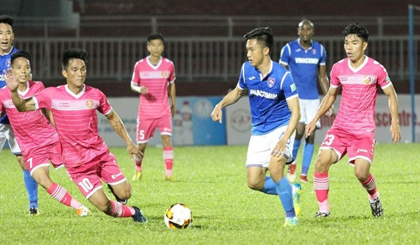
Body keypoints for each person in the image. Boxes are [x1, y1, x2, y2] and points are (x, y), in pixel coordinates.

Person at [6, 48, 147, 223]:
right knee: (105, 207)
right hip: (77, 165)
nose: (80, 74)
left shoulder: (96, 95)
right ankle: (133, 212)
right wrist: (13, 92)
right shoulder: (51, 94)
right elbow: (22, 107)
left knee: (125, 193)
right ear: (65, 73)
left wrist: (129, 142)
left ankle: (116, 190)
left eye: (83, 69)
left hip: (100, 155)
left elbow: (112, 118)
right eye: (74, 70)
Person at [305, 23, 401, 218]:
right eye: (346, 43)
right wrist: (314, 118)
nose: (349, 47)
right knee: (321, 162)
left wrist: (395, 122)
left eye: (354, 43)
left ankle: (374, 198)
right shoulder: (338, 68)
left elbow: (391, 94)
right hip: (340, 128)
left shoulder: (376, 69)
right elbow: (331, 96)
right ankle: (324, 210)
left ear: (364, 46)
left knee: (361, 173)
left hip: (363, 132)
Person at [211, 27, 302, 227]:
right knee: (254, 182)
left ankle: (291, 217)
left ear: (266, 50)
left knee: (276, 168)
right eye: (247, 50)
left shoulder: (283, 76)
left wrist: (284, 138)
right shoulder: (246, 70)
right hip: (259, 131)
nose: (248, 54)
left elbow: (296, 112)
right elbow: (237, 92)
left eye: (252, 49)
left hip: (281, 128)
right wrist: (220, 105)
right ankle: (291, 189)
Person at [1, 51, 90, 216]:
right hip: (30, 147)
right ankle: (79, 207)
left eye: (26, 67)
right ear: (11, 71)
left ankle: (105, 194)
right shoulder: (3, 94)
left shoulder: (38, 87)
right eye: (19, 67)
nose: (23, 71)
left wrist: (61, 132)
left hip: (51, 139)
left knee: (80, 167)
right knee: (43, 180)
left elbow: (48, 112)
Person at [279, 19, 332, 183]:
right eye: (303, 29)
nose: (306, 32)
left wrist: (329, 98)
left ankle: (304, 174)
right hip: (296, 98)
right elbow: (281, 73)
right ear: (298, 31)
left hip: (313, 98)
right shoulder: (288, 49)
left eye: (309, 29)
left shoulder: (320, 50)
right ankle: (292, 162)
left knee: (311, 134)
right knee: (300, 130)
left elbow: (322, 77)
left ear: (312, 32)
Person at [0, 14, 39, 215]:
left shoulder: (18, 60)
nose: (4, 37)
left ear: (13, 36)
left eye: (7, 33)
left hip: (16, 120)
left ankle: (33, 204)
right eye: (0, 33)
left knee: (24, 161)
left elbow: (29, 85)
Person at [130, 33, 176, 181]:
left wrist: (173, 103)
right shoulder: (140, 65)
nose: (156, 48)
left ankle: (169, 173)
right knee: (141, 146)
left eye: (159, 45)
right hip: (146, 112)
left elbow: (172, 84)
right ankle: (138, 169)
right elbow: (133, 84)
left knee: (167, 140)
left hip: (163, 110)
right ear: (148, 47)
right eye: (153, 45)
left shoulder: (168, 65)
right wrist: (139, 89)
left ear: (163, 47)